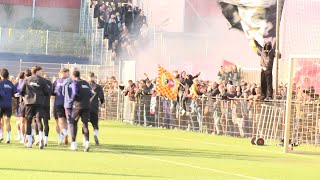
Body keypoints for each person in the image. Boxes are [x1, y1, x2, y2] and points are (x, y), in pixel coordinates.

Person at [20, 66, 50, 149]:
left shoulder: (27, 79)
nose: (42, 72)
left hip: (29, 103)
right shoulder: (43, 81)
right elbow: (47, 92)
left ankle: (29, 142)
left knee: (28, 122)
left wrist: (25, 98)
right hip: (39, 103)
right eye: (41, 71)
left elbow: (21, 91)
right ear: (36, 71)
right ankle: (41, 139)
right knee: (39, 120)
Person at [70, 71, 92, 152]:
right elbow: (90, 94)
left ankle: (73, 143)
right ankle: (87, 142)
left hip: (78, 106)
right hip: (87, 105)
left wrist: (71, 101)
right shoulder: (86, 83)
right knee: (85, 124)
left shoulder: (75, 83)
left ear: (73, 76)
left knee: (73, 122)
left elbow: (75, 93)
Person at [52, 68, 69, 145]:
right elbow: (52, 93)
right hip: (61, 103)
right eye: (64, 73)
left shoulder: (68, 81)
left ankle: (64, 135)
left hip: (64, 103)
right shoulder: (57, 82)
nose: (65, 74)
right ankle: (63, 135)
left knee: (63, 120)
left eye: (66, 73)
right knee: (62, 120)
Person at [88, 72, 104, 146]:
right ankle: (95, 135)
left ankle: (85, 140)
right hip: (94, 107)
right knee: (95, 124)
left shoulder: (85, 85)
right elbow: (101, 98)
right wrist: (101, 103)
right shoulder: (98, 87)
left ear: (88, 77)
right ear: (94, 77)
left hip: (86, 107)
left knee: (85, 124)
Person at [0, 69, 16, 143]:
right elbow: (14, 93)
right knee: (8, 121)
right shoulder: (11, 84)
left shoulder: (0, 83)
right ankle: (8, 137)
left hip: (1, 104)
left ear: (1, 75)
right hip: (8, 104)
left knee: (0, 120)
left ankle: (1, 135)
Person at [43, 74, 53, 147]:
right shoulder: (49, 83)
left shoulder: (41, 82)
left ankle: (39, 137)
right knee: (46, 122)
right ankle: (45, 138)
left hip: (39, 104)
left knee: (37, 121)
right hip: (47, 104)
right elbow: (51, 93)